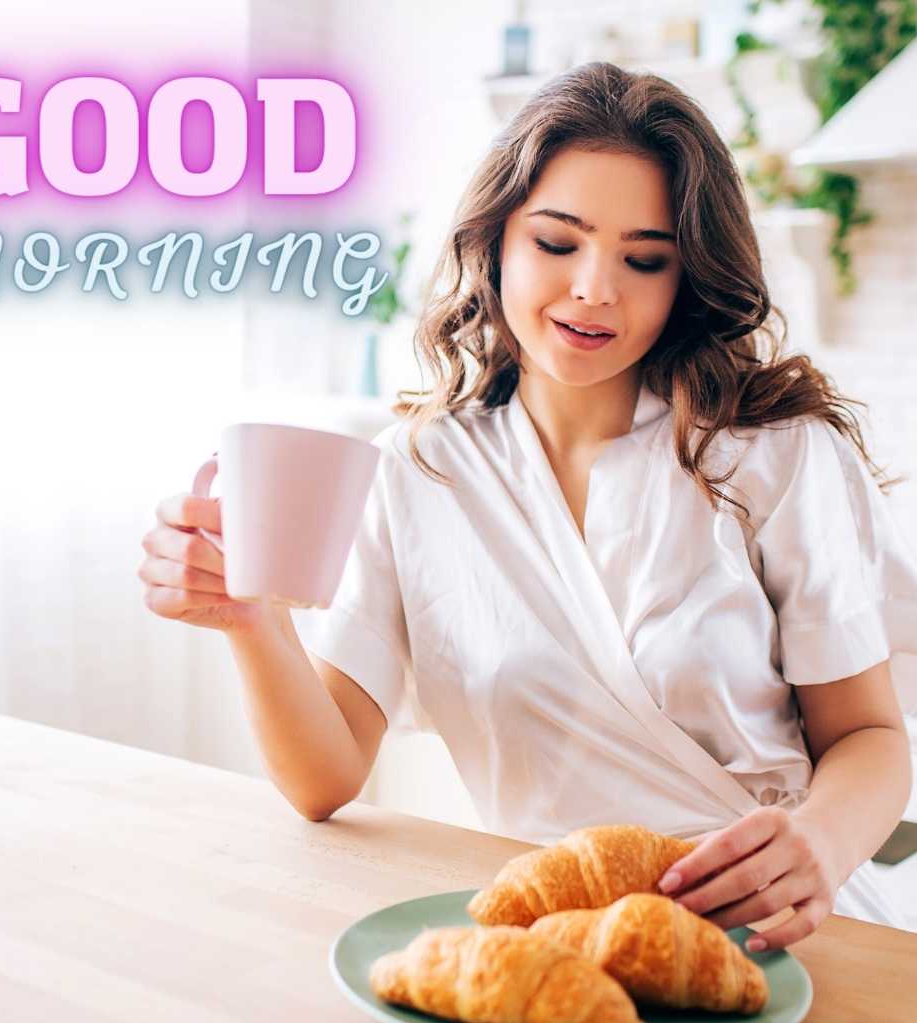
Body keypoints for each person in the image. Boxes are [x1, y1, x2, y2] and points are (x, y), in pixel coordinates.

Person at [139, 62, 917, 946]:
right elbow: (326, 778)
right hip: (551, 940)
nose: (595, 288)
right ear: (496, 240)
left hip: (779, 931)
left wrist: (818, 842)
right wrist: (254, 620)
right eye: (557, 243)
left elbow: (869, 737)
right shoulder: (420, 468)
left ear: (685, 277)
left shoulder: (772, 452)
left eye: (645, 259)